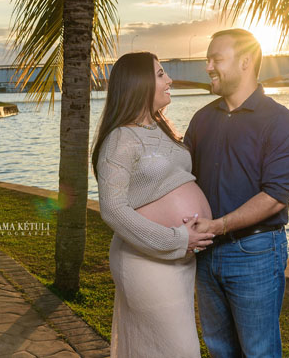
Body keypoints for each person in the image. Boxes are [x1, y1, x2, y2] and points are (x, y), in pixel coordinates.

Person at [184, 29, 289, 358]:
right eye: (207, 60)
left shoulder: (282, 122)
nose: (208, 67)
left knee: (259, 352)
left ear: (246, 62)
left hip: (255, 253)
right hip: (206, 253)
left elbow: (276, 196)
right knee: (219, 350)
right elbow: (182, 179)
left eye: (216, 59)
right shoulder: (201, 119)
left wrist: (218, 225)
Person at [92, 52, 215, 358]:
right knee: (180, 351)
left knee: (160, 350)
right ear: (139, 83)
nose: (170, 80)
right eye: (161, 74)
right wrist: (177, 238)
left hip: (178, 263)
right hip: (146, 262)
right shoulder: (121, 139)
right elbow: (112, 208)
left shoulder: (161, 130)